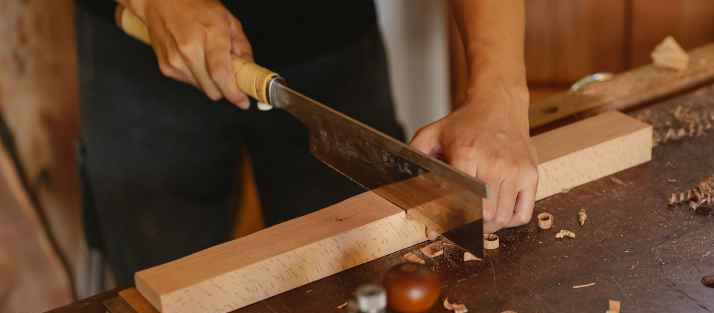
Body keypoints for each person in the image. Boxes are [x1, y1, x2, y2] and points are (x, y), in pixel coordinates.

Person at [74, 0, 537, 286]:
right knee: (162, 292)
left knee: (371, 273)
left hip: (331, 36)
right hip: (142, 45)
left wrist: (499, 93)